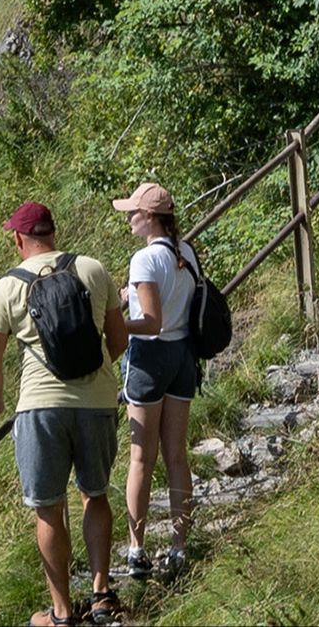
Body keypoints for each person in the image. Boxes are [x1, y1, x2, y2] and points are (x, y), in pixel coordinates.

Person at [0, 199, 132, 627]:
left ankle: (62, 614)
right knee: (95, 494)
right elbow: (117, 339)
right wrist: (95, 371)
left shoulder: (8, 287)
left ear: (18, 239)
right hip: (98, 402)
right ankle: (102, 597)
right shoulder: (94, 269)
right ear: (53, 233)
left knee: (48, 507)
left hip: (40, 408)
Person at [108, 182, 216, 587]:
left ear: (151, 217)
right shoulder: (184, 251)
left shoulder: (143, 260)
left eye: (134, 212)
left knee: (141, 458)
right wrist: (129, 295)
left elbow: (150, 322)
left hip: (150, 360)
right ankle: (179, 545)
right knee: (176, 456)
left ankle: (136, 549)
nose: (129, 218)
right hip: (183, 358)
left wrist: (113, 323)